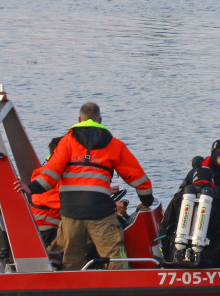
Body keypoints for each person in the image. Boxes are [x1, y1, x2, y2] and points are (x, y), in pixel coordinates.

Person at [16, 101, 154, 270]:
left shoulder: (66, 142)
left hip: (71, 214)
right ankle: (121, 292)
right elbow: (137, 176)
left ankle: (71, 293)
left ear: (79, 119)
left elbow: (50, 173)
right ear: (100, 120)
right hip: (100, 213)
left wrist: (31, 188)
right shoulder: (115, 145)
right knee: (115, 258)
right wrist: (146, 200)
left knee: (72, 262)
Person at [160, 163, 220, 268]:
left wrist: (166, 255)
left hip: (177, 257)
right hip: (210, 259)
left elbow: (164, 229)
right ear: (212, 180)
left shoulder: (179, 199)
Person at [27, 137, 63, 248]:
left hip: (51, 230)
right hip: (46, 234)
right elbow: (73, 202)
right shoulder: (47, 180)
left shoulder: (45, 173)